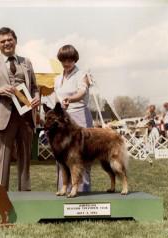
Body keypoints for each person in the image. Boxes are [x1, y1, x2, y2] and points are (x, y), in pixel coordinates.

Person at [0, 27, 40, 191]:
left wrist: (36, 97)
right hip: (3, 117)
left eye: (9, 40)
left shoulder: (26, 62)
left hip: (26, 117)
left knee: (25, 160)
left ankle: (25, 197)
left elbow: (34, 87)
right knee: (1, 160)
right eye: (2, 41)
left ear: (15, 41)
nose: (6, 43)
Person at [54, 44, 93, 192]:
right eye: (64, 60)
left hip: (80, 117)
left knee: (81, 156)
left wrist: (71, 98)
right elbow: (57, 99)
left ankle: (82, 190)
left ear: (75, 59)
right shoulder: (57, 79)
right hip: (63, 120)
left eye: (70, 60)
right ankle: (64, 188)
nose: (67, 63)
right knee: (62, 155)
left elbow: (82, 92)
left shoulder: (83, 74)